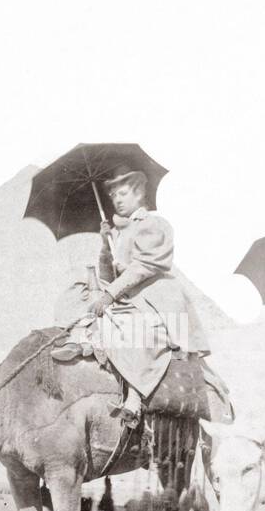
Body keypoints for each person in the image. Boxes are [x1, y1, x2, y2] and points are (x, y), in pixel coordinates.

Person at [85, 166, 212, 426]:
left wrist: (109, 295)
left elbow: (145, 266)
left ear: (140, 191)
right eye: (113, 197)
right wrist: (105, 246)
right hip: (129, 295)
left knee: (137, 330)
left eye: (122, 193)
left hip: (158, 297)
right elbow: (110, 275)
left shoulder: (153, 224)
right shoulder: (121, 231)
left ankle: (135, 396)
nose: (117, 200)